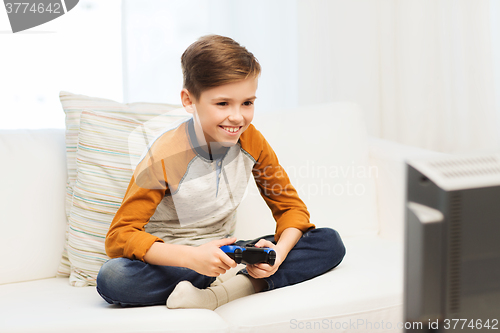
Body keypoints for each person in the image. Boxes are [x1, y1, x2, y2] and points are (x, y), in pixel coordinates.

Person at [96, 34, 345, 309]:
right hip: (179, 260)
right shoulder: (165, 155)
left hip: (230, 254)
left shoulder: (253, 141)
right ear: (189, 101)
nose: (238, 117)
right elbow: (120, 236)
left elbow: (292, 210)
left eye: (247, 103)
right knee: (114, 277)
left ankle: (219, 293)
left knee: (328, 241)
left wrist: (277, 254)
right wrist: (192, 258)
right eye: (223, 104)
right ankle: (222, 279)